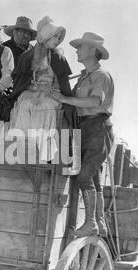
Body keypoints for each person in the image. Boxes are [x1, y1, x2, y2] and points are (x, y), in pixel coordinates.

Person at [53, 32, 114, 237]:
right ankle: (99, 221)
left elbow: (94, 102)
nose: (77, 50)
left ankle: (91, 223)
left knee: (83, 175)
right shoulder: (84, 77)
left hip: (97, 127)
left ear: (92, 51)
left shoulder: (101, 76)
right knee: (94, 177)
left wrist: (64, 98)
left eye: (81, 47)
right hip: (84, 127)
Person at [7, 16, 73, 162]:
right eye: (54, 36)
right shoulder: (27, 56)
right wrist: (37, 86)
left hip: (51, 95)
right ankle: (19, 149)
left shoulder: (58, 57)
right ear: (46, 36)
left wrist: (51, 89)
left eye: (58, 37)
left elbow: (61, 83)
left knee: (45, 107)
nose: (57, 39)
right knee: (26, 104)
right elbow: (21, 83)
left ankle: (41, 153)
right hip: (31, 92)